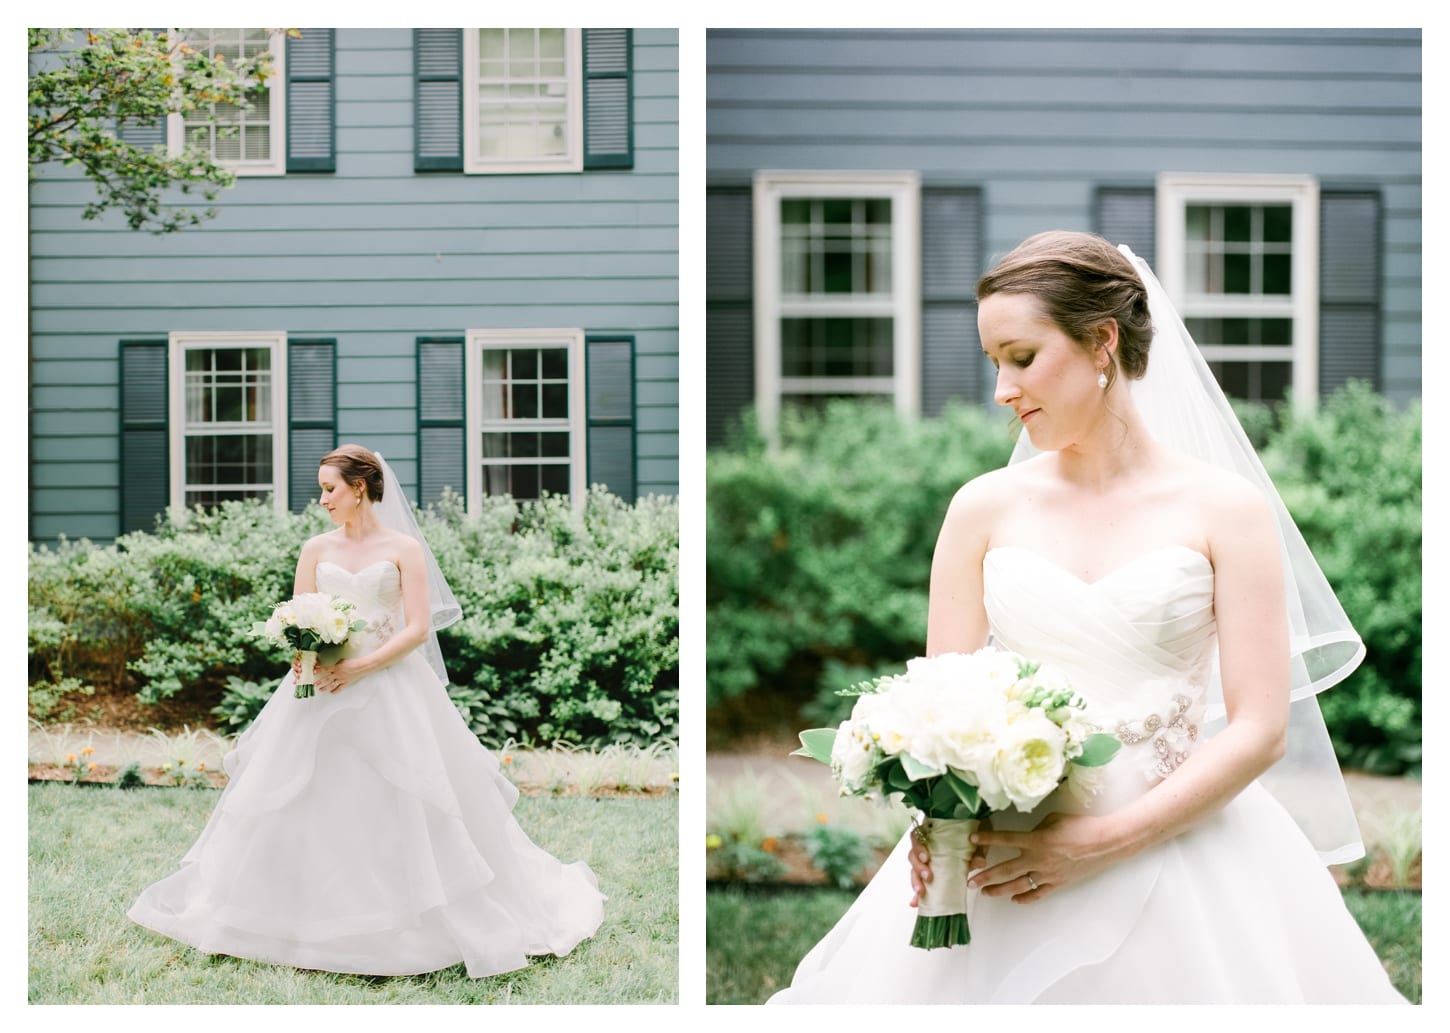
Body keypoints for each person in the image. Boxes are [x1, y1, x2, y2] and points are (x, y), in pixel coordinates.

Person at [767, 232, 1408, 1004]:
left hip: (1186, 847)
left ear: (1102, 340)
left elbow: (1260, 727)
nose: (1002, 388)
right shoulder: (980, 509)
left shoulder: (1226, 511)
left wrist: (1101, 843)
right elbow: (938, 707)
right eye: (993, 363)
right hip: (1007, 857)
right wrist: (937, 829)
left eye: (1022, 357)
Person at [129, 444, 604, 978]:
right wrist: (307, 664)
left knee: (409, 798)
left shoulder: (404, 548)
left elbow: (418, 628)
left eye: (330, 488)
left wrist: (361, 667)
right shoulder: (315, 548)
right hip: (320, 691)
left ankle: (409, 924)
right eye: (321, 489)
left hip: (391, 687)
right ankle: (290, 916)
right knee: (300, 794)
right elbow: (296, 620)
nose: (323, 499)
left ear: (360, 487)